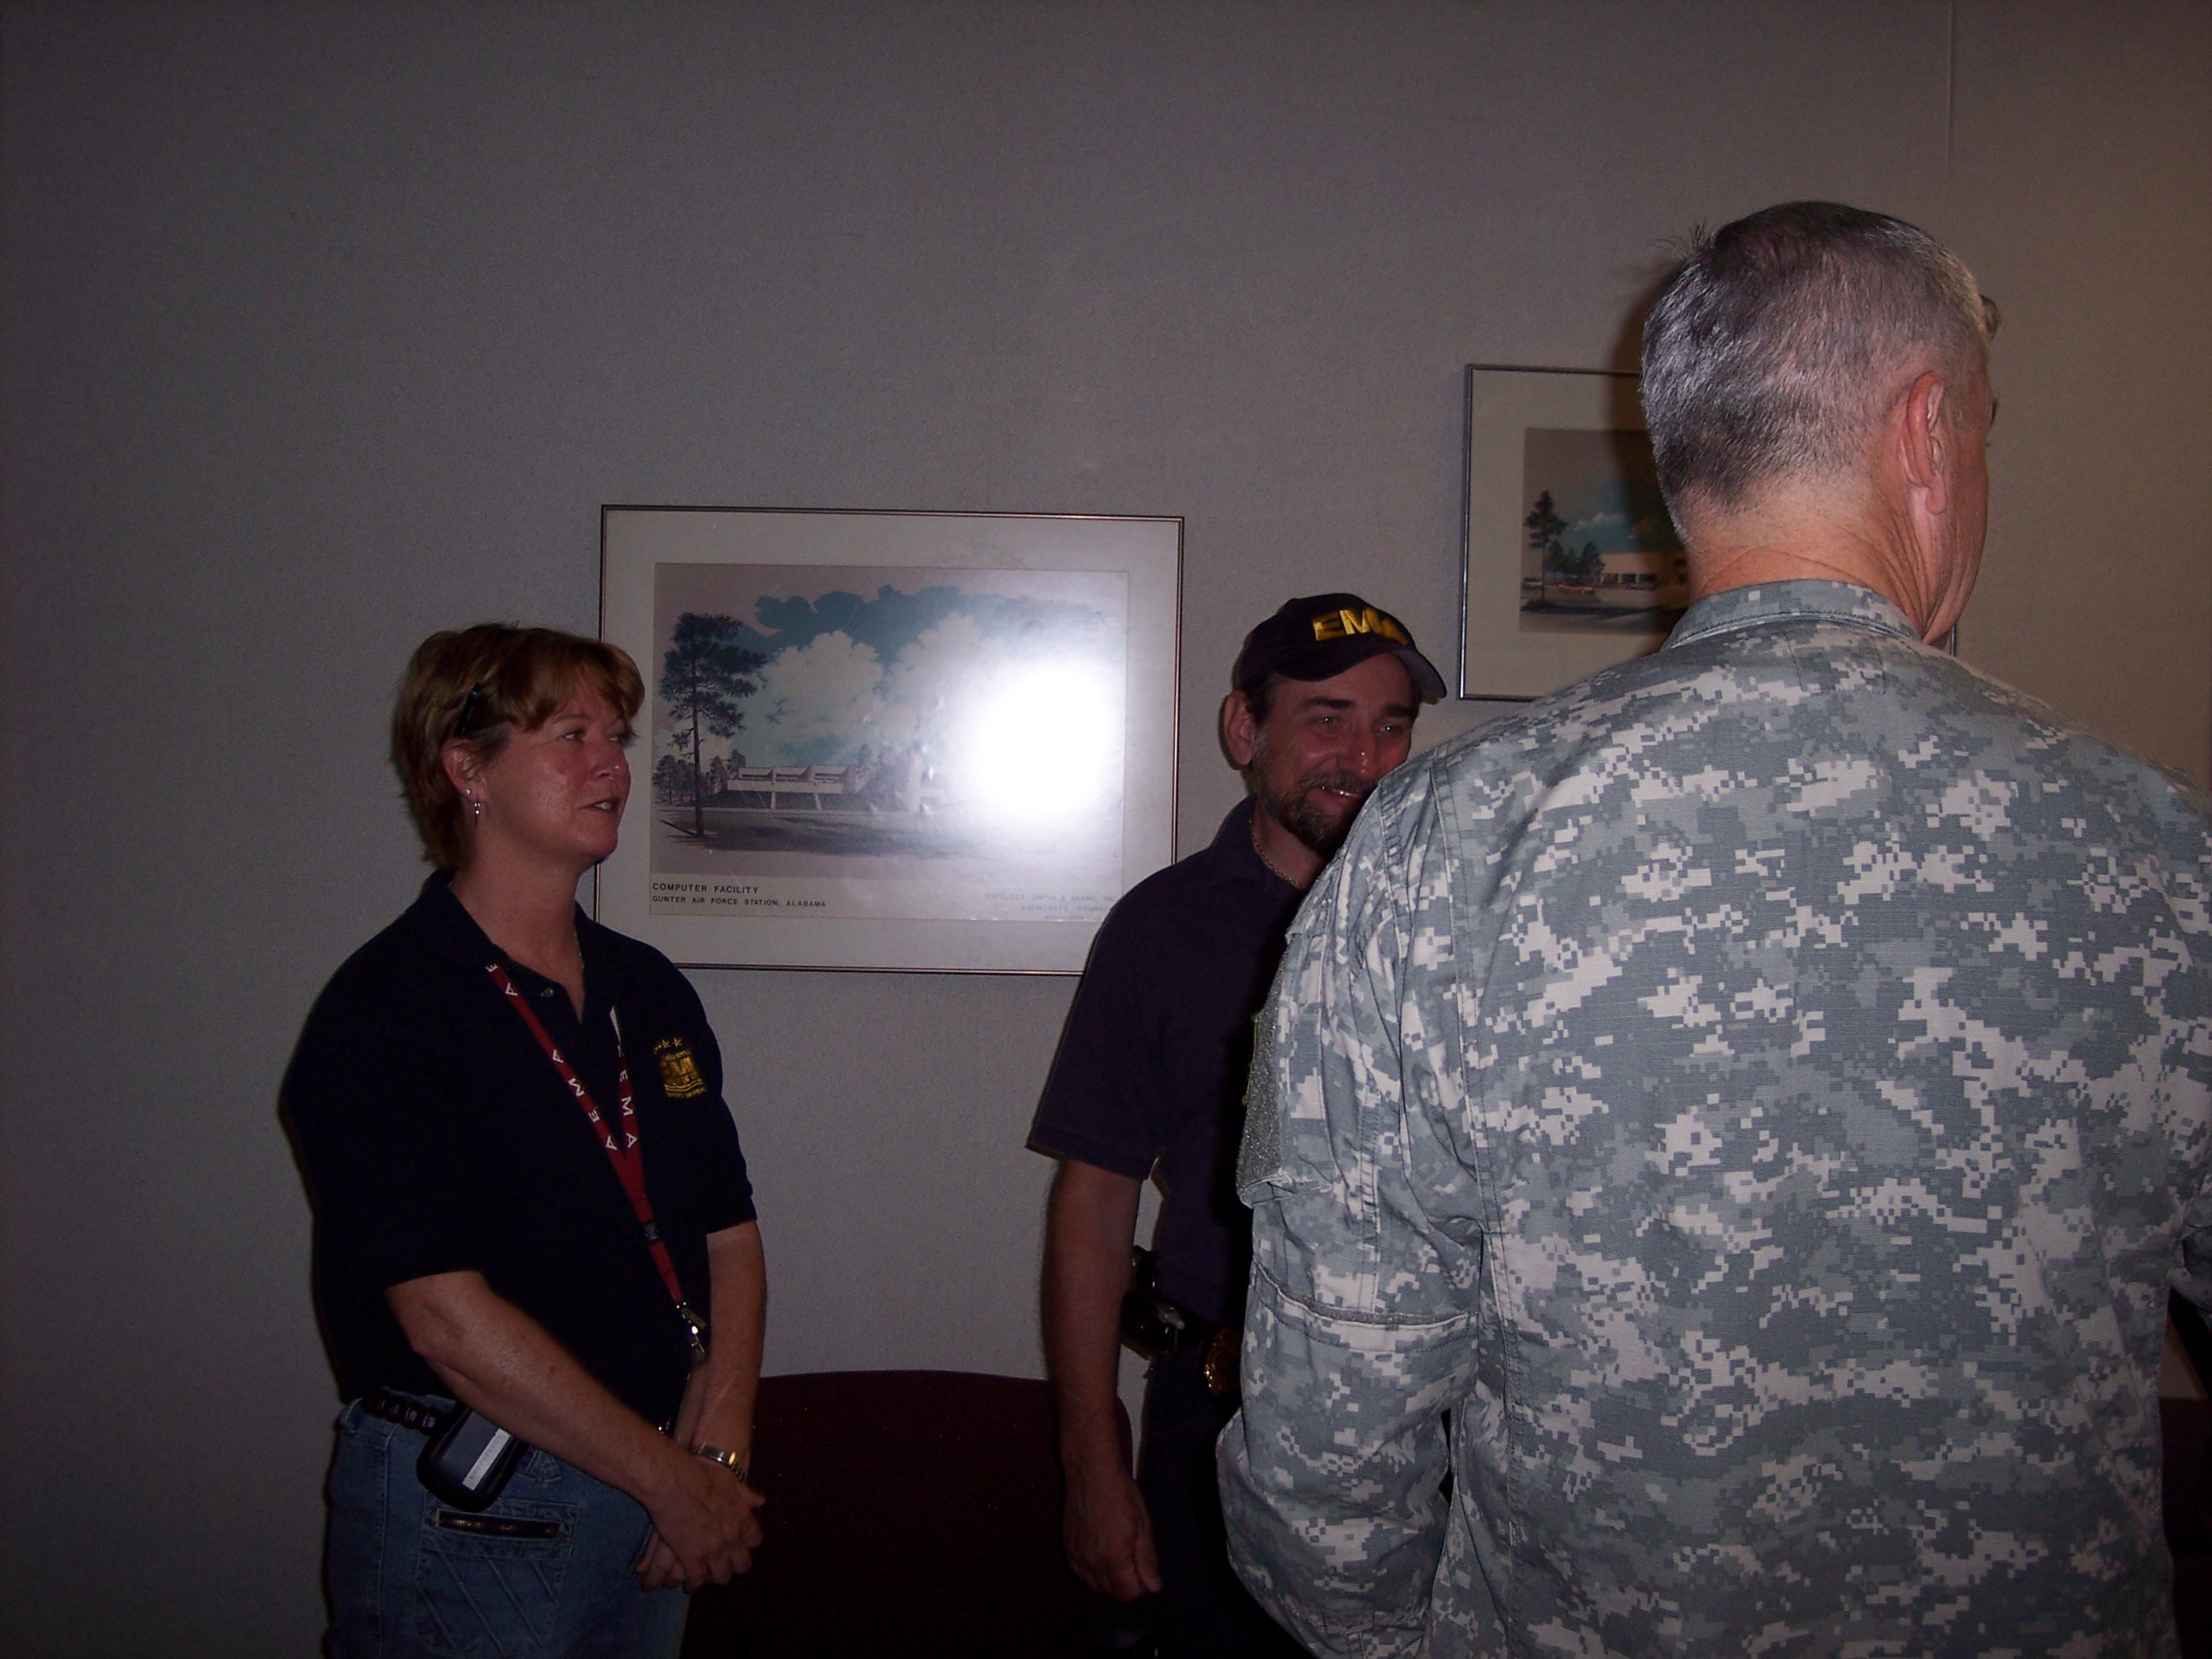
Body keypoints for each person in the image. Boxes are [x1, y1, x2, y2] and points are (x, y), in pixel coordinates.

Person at [1221, 202, 2212, 1654]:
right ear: (1928, 433)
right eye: (1984, 432)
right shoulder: (2160, 850)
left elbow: (1330, 1424)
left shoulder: (1438, 845)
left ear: (1690, 465)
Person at [285, 623, 768, 1659]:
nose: (614, 765)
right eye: (571, 736)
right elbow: (443, 1320)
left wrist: (714, 1454)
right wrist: (669, 1479)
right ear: (467, 769)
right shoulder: (388, 1008)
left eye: (618, 736)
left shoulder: (648, 986)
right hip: (474, 1514)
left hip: (662, 1490)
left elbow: (727, 1232)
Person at [1032, 593, 1444, 1656]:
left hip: (1427, 1425)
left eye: (1391, 725)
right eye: (1327, 718)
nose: (1364, 757)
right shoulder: (1160, 929)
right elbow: (1094, 1201)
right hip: (1214, 1411)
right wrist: (1092, 1459)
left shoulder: (1457, 927)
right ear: (1243, 728)